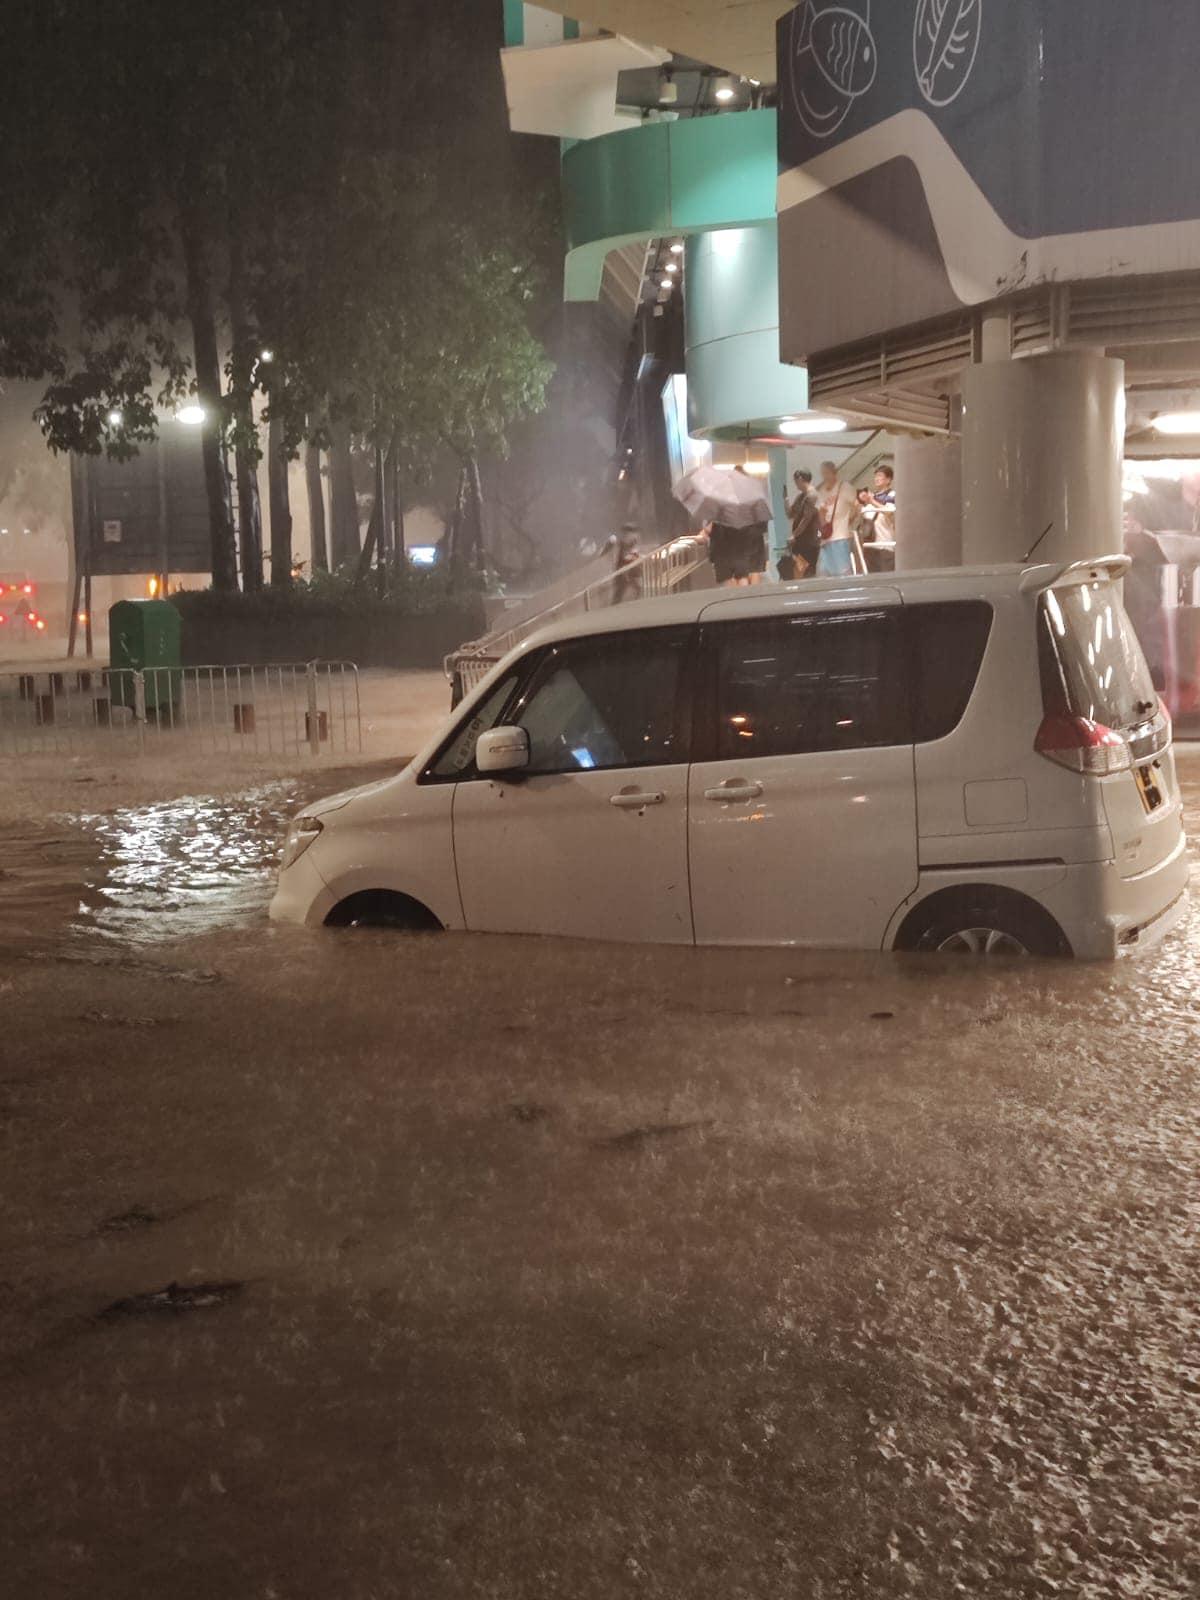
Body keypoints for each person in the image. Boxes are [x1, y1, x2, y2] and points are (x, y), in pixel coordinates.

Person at [816, 460, 858, 577]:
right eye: (823, 473)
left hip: (841, 536)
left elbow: (856, 505)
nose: (825, 476)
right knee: (825, 572)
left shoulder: (844, 487)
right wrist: (822, 517)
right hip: (826, 538)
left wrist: (851, 518)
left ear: (834, 472)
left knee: (842, 571)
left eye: (827, 473)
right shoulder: (822, 491)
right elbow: (820, 514)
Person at [782, 468, 821, 579]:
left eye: (796, 481)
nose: (795, 484)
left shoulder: (812, 495)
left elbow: (806, 519)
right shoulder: (801, 496)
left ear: (800, 479)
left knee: (806, 569)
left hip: (811, 538)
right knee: (798, 568)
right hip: (801, 539)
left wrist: (794, 534)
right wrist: (785, 500)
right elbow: (790, 514)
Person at [605, 524, 642, 603]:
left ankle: (635, 601)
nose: (635, 535)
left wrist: (637, 556)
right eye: (631, 532)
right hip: (624, 567)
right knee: (621, 589)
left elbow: (634, 552)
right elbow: (624, 555)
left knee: (636, 587)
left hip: (632, 567)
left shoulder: (633, 541)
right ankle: (615, 603)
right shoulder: (623, 542)